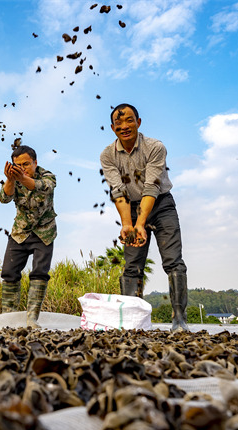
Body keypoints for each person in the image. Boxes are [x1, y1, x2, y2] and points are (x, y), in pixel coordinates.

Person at [100, 103, 190, 332]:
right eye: (118, 123)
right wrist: (128, 226)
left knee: (173, 261)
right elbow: (118, 191)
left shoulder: (154, 147)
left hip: (160, 204)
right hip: (130, 206)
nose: (124, 126)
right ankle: (131, 322)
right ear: (112, 128)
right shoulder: (107, 155)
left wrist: (141, 224)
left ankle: (179, 320)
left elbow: (151, 186)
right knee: (132, 265)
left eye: (129, 120)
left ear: (138, 123)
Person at [0, 145, 57, 329]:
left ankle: (32, 319)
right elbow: (4, 199)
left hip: (44, 232)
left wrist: (20, 177)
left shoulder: (47, 176)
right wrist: (10, 179)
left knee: (39, 273)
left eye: (26, 164)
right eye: (18, 165)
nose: (22, 168)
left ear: (35, 162)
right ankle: (8, 318)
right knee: (9, 272)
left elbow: (42, 188)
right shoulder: (13, 178)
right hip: (20, 232)